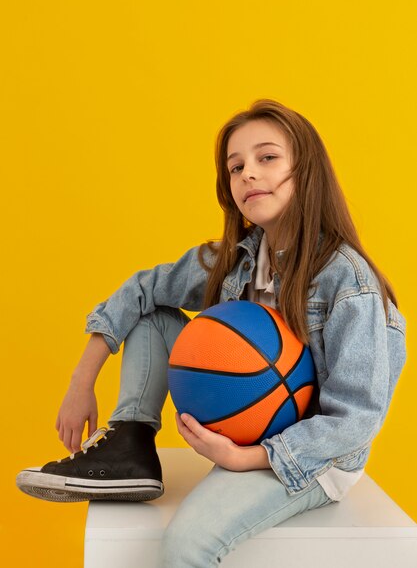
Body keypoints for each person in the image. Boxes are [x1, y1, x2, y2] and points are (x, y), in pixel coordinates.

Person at [16, 99, 407, 566]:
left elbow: (356, 419)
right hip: (241, 433)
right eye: (235, 166)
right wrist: (81, 383)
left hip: (309, 459)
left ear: (307, 170)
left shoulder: (349, 282)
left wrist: (247, 459)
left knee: (186, 545)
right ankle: (131, 443)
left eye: (267, 158)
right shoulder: (236, 259)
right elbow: (143, 289)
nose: (247, 174)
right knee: (154, 313)